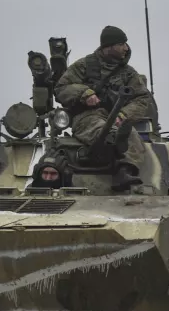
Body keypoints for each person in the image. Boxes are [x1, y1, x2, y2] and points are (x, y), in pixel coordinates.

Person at [54, 25, 155, 191]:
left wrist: (124, 114)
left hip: (118, 118)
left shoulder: (128, 73)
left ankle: (125, 171)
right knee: (106, 132)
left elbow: (142, 97)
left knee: (129, 136)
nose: (126, 48)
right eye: (121, 44)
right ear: (109, 46)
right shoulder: (84, 66)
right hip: (86, 117)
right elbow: (61, 88)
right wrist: (84, 93)